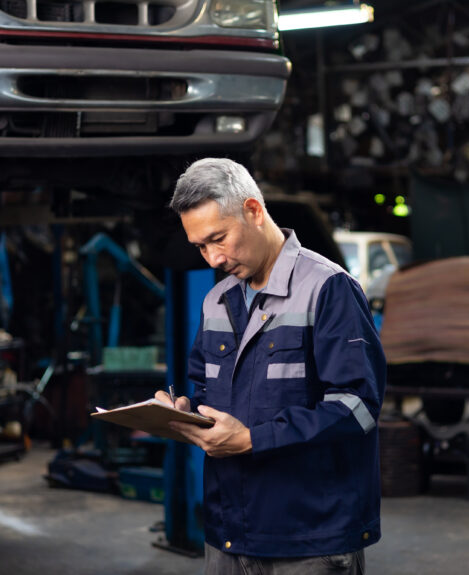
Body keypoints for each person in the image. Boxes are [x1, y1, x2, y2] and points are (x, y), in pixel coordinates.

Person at [153, 157, 386, 575]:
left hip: (309, 539)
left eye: (218, 239)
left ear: (254, 211)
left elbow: (358, 407)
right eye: (201, 247)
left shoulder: (327, 289)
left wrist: (252, 440)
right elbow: (204, 392)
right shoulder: (217, 302)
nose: (212, 259)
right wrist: (182, 413)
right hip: (228, 535)